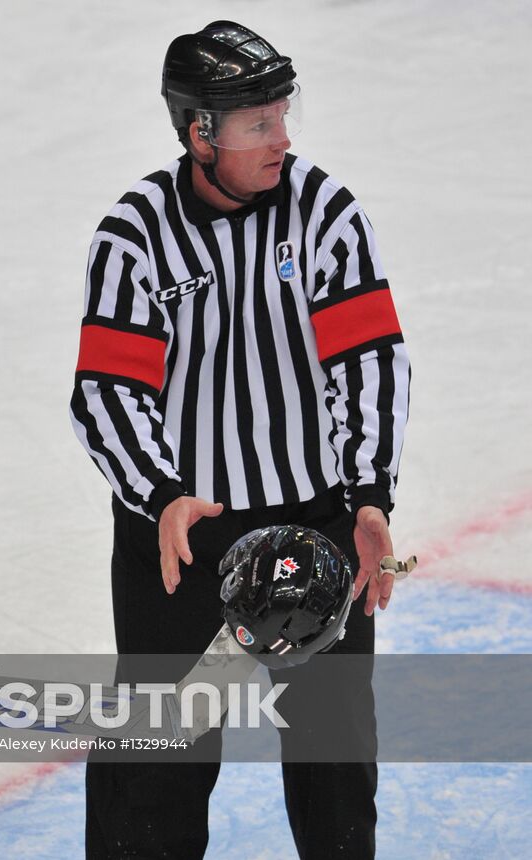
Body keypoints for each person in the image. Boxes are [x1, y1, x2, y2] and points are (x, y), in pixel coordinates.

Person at [69, 21, 411, 859]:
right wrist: (159, 496)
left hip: (318, 529)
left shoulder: (325, 210)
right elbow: (108, 391)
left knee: (333, 759)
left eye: (283, 115)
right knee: (158, 763)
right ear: (199, 132)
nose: (282, 139)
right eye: (259, 123)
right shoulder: (136, 233)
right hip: (183, 537)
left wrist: (368, 496)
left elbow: (369, 361)